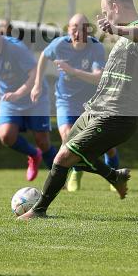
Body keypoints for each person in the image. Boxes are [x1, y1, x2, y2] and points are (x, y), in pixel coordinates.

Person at [18, 0, 138, 219]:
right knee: (68, 152)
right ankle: (114, 177)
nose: (106, 17)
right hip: (96, 109)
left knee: (63, 158)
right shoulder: (135, 44)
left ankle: (38, 210)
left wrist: (115, 29)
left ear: (115, 7)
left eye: (105, 12)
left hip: (117, 116)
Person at [30, 13, 109, 192]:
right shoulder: (60, 44)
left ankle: (113, 171)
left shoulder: (96, 47)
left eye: (82, 28)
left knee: (104, 144)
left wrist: (72, 71)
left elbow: (98, 78)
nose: (77, 32)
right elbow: (44, 56)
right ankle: (75, 172)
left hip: (91, 101)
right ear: (69, 29)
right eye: (74, 28)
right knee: (68, 136)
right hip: (66, 99)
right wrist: (37, 84)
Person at [0, 20, 57, 181]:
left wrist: (18, 93)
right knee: (6, 136)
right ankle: (34, 155)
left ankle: (57, 177)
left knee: (42, 141)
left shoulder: (16, 48)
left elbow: (35, 73)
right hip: (10, 98)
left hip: (34, 96)